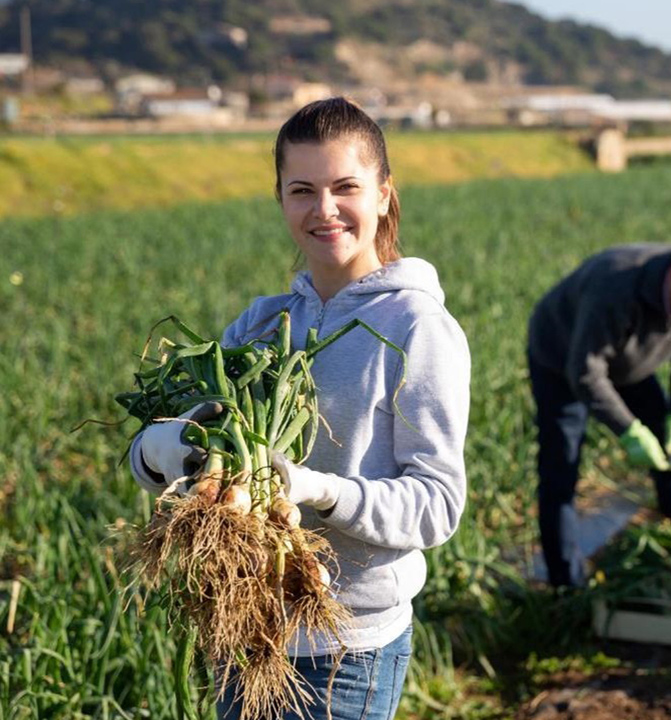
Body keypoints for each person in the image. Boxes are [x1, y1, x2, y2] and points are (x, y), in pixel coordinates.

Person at [128, 97, 470, 720]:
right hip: (242, 625)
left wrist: (314, 489)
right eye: (302, 189)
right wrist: (165, 450)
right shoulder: (260, 327)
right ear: (281, 199)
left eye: (346, 187)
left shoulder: (418, 326)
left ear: (385, 195)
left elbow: (437, 506)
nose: (325, 209)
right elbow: (162, 448)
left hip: (347, 646)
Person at [527, 240, 671, 587]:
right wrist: (628, 430)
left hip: (629, 364)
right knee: (560, 467)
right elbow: (585, 372)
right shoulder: (615, 287)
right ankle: (566, 584)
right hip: (562, 362)